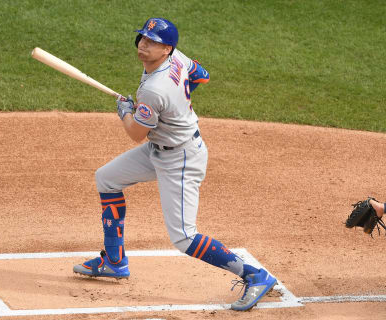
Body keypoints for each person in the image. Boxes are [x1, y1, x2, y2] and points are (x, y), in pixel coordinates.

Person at [73, 17, 276, 311]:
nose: (143, 45)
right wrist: (171, 102)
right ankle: (114, 262)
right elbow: (200, 75)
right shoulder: (178, 58)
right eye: (142, 38)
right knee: (107, 178)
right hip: (164, 148)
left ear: (167, 48)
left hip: (180, 159)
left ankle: (256, 276)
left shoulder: (154, 90)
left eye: (152, 41)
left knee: (183, 237)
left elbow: (135, 134)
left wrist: (124, 112)